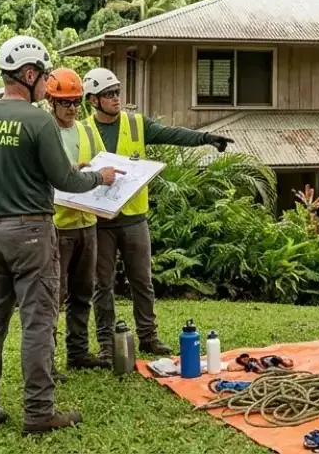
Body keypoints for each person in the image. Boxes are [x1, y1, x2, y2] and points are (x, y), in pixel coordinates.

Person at [0, 36, 120, 436]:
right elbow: (65, 180)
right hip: (31, 231)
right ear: (28, 74)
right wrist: (98, 177)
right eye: (45, 76)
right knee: (37, 321)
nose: (47, 84)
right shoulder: (39, 121)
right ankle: (38, 412)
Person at [80, 67, 233, 362]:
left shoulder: (136, 124)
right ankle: (107, 344)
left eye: (117, 92)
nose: (115, 98)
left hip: (134, 217)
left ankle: (148, 337)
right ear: (93, 100)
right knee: (102, 285)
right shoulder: (83, 130)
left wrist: (206, 138)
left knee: (142, 280)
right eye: (108, 94)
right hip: (100, 220)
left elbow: (171, 134)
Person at [46, 68, 106, 372]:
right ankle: (47, 361)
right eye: (65, 102)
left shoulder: (86, 130)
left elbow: (101, 163)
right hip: (58, 225)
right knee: (53, 297)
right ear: (51, 102)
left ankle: (78, 353)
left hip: (87, 222)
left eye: (75, 102)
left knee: (82, 293)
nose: (72, 108)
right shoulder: (44, 131)